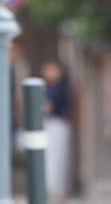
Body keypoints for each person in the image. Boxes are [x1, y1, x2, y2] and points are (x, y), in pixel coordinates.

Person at [41, 60, 73, 203]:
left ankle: (55, 192)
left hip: (56, 125)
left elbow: (47, 108)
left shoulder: (58, 88)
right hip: (54, 125)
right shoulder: (52, 88)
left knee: (55, 159)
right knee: (52, 158)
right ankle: (53, 191)